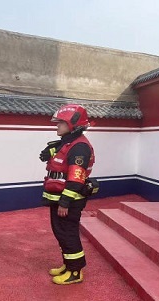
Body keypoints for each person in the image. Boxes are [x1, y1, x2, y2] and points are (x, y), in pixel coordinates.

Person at [39, 104, 96, 285]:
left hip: (69, 201)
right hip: (59, 198)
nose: (57, 126)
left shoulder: (80, 147)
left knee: (68, 234)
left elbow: (76, 179)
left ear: (73, 125)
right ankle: (68, 265)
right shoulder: (68, 143)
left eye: (61, 123)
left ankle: (75, 272)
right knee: (61, 233)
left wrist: (64, 202)